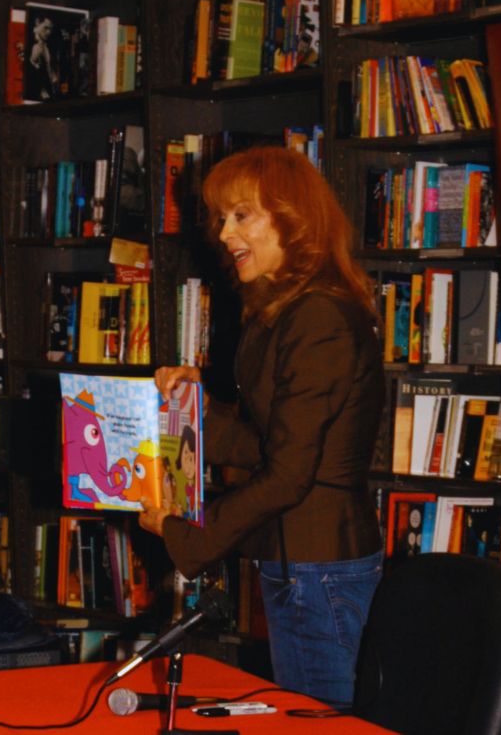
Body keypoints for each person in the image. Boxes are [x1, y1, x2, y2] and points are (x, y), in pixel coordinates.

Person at [140, 146, 385, 708]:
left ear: (293, 219)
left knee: (321, 722)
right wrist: (193, 407)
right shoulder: (288, 308)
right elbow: (273, 440)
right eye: (222, 218)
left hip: (319, 564)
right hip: (301, 561)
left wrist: (185, 532)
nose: (225, 234)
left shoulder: (318, 315)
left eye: (241, 215)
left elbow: (291, 473)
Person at [26, 15, 58, 100]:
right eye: (45, 28)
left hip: (50, 93)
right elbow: (35, 72)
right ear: (37, 24)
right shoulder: (36, 47)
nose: (48, 32)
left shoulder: (46, 45)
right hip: (41, 95)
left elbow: (49, 67)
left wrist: (54, 79)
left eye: (50, 29)